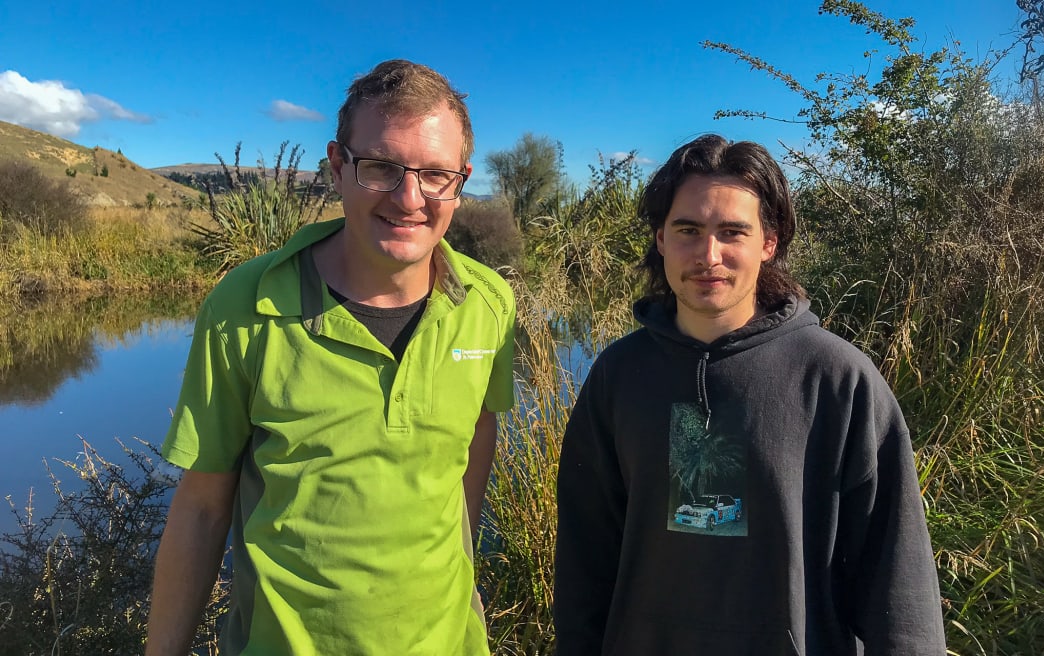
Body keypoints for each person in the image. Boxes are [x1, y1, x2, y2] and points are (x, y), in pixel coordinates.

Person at [145, 59, 516, 655]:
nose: (409, 197)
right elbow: (201, 510)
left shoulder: (488, 305)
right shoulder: (245, 305)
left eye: (435, 174)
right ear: (338, 167)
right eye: (381, 168)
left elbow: (476, 434)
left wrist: (465, 569)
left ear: (461, 179)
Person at [553, 134, 945, 655]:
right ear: (661, 239)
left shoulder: (836, 379)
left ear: (769, 241)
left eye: (732, 231)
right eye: (688, 230)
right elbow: (585, 556)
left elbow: (899, 580)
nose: (708, 255)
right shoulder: (617, 376)